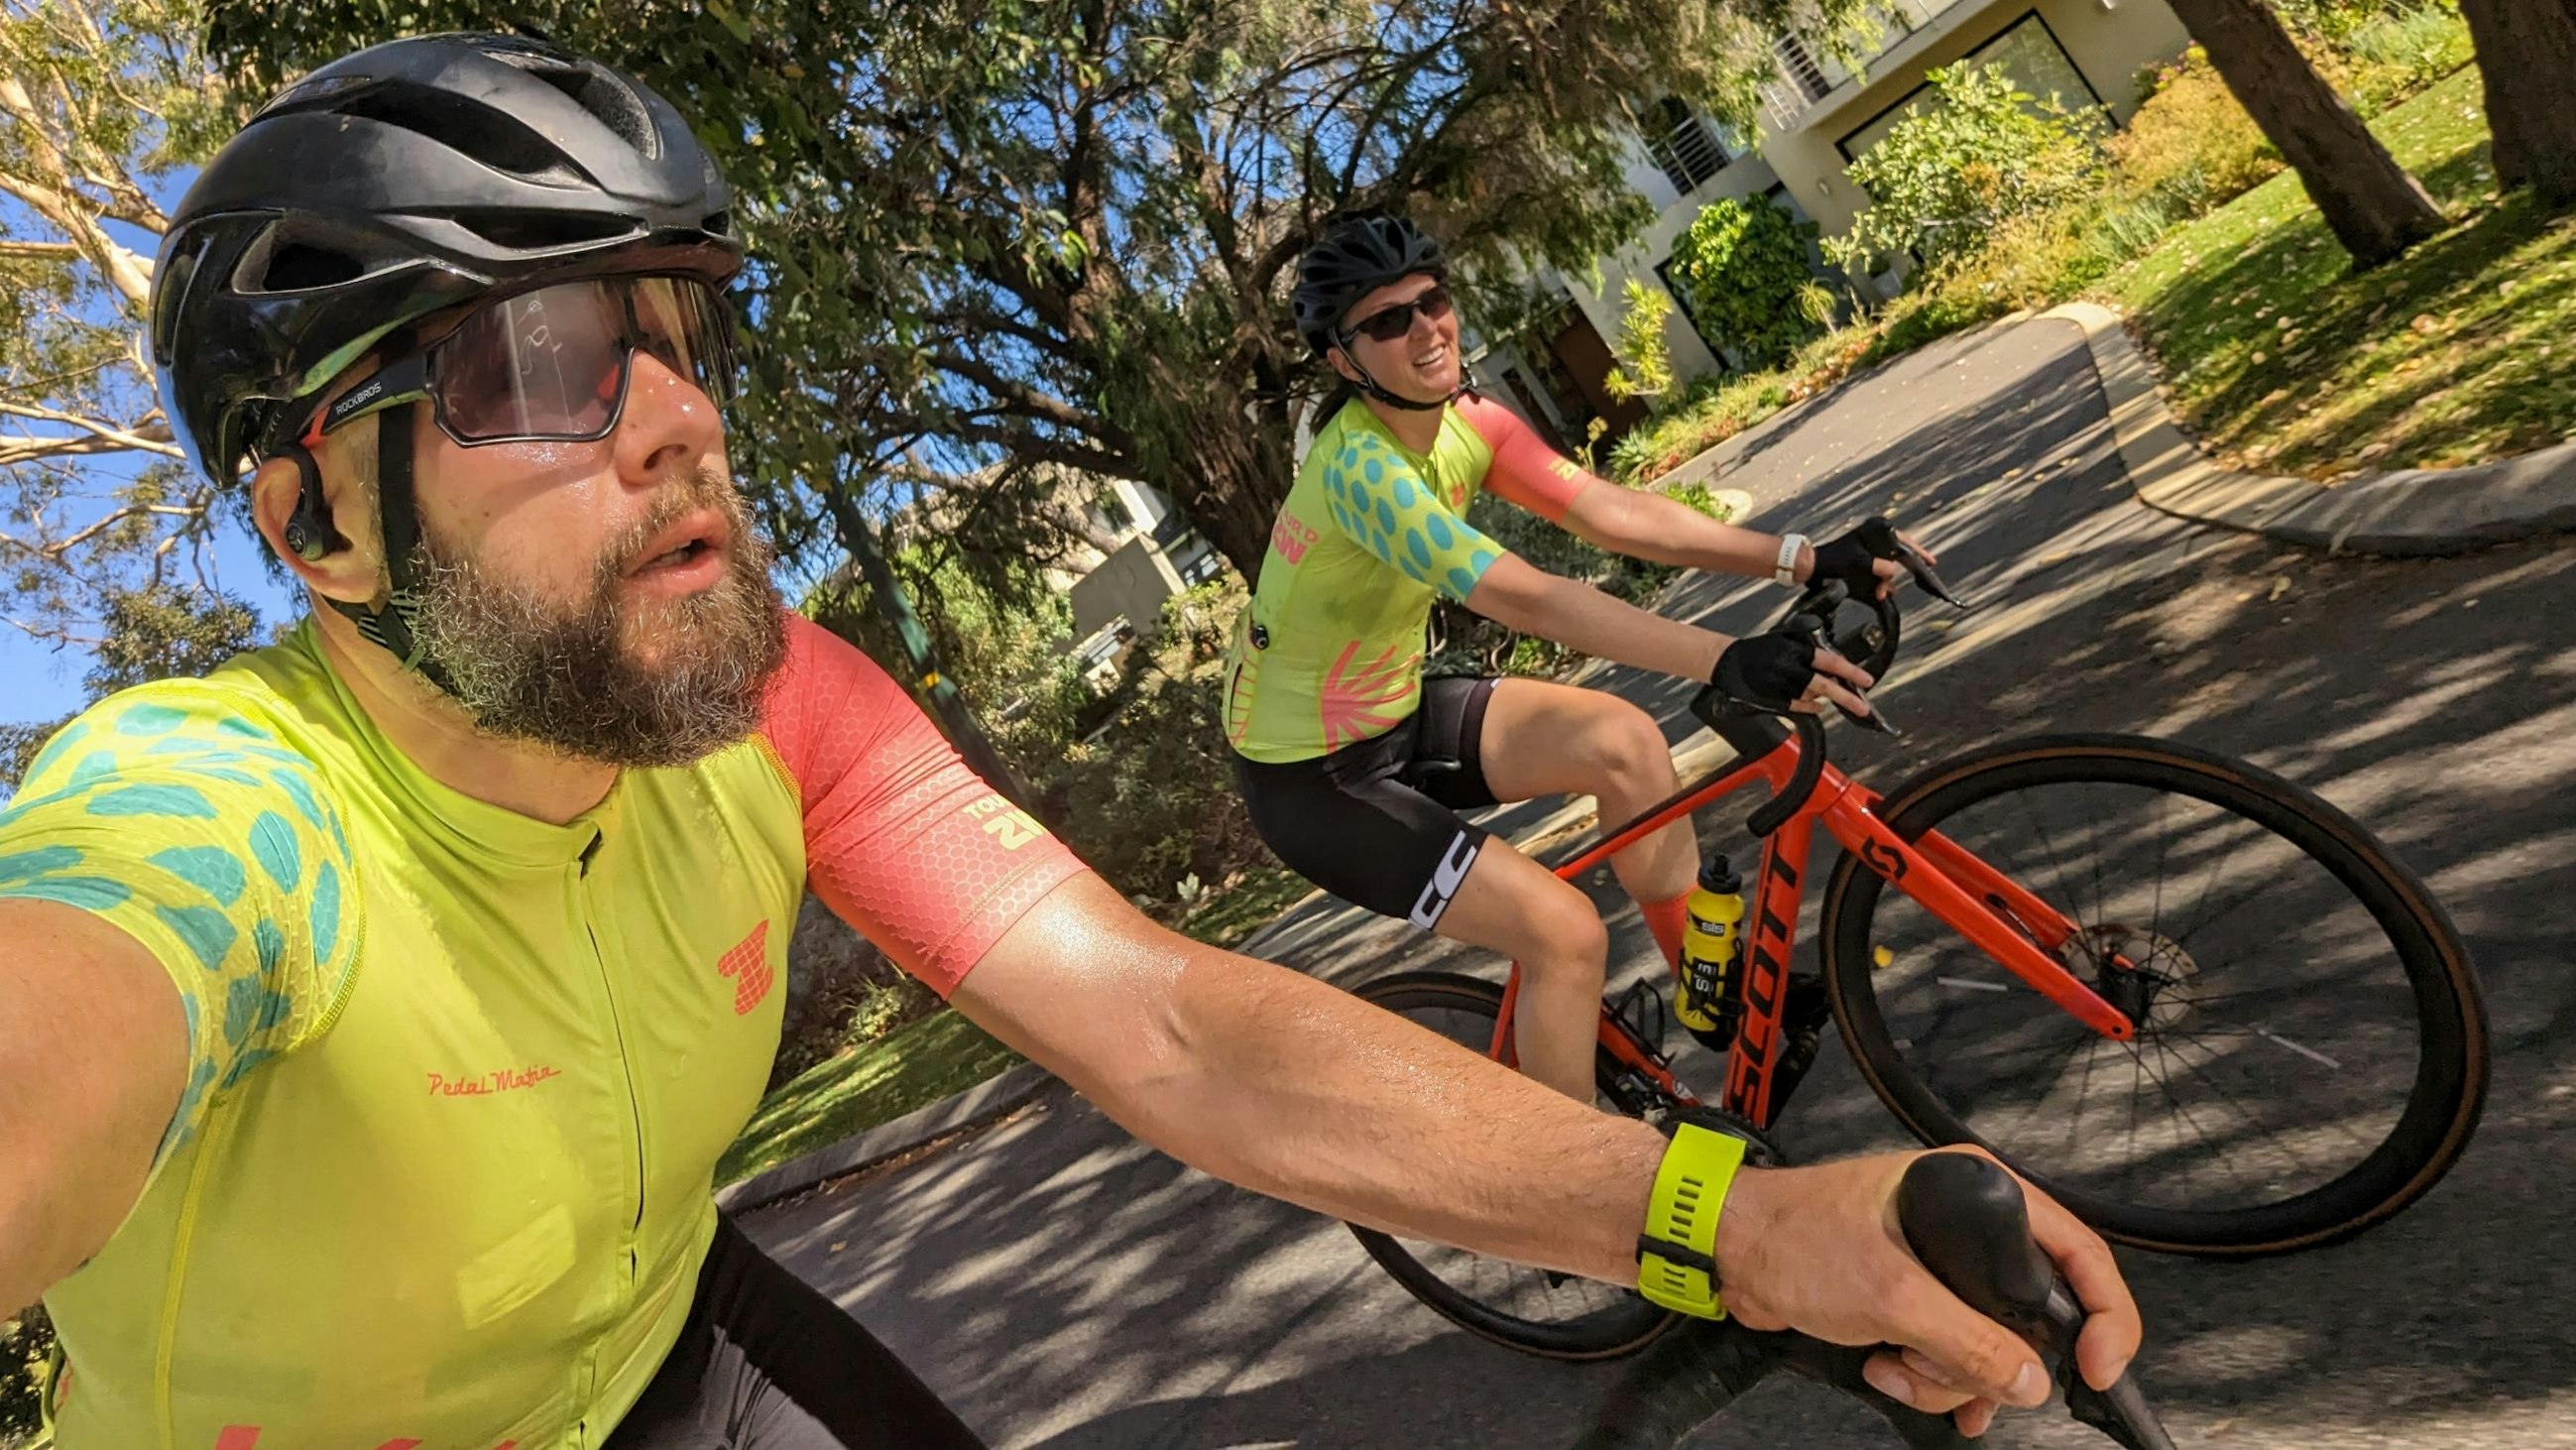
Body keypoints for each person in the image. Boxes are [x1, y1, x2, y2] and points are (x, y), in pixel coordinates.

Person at [0, 34, 2134, 1449]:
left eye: (680, 331)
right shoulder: (215, 814)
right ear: (315, 524)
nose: (679, 419)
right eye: (539, 365)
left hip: (661, 1353)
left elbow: (1176, 1027)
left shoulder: (774, 702)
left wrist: (1745, 1224)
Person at [1229, 213, 1926, 1104]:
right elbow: (1527, 596)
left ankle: (1720, 1001)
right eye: (1387, 321)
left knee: (1623, 742)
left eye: (1431, 301)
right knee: (1563, 936)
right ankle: (1584, 1198)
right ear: (1344, 360)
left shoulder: (1465, 419)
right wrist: (1722, 658)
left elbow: (1611, 514)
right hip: (1313, 779)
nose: (1424, 328)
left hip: (1393, 709)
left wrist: (1801, 555)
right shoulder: (1361, 473)